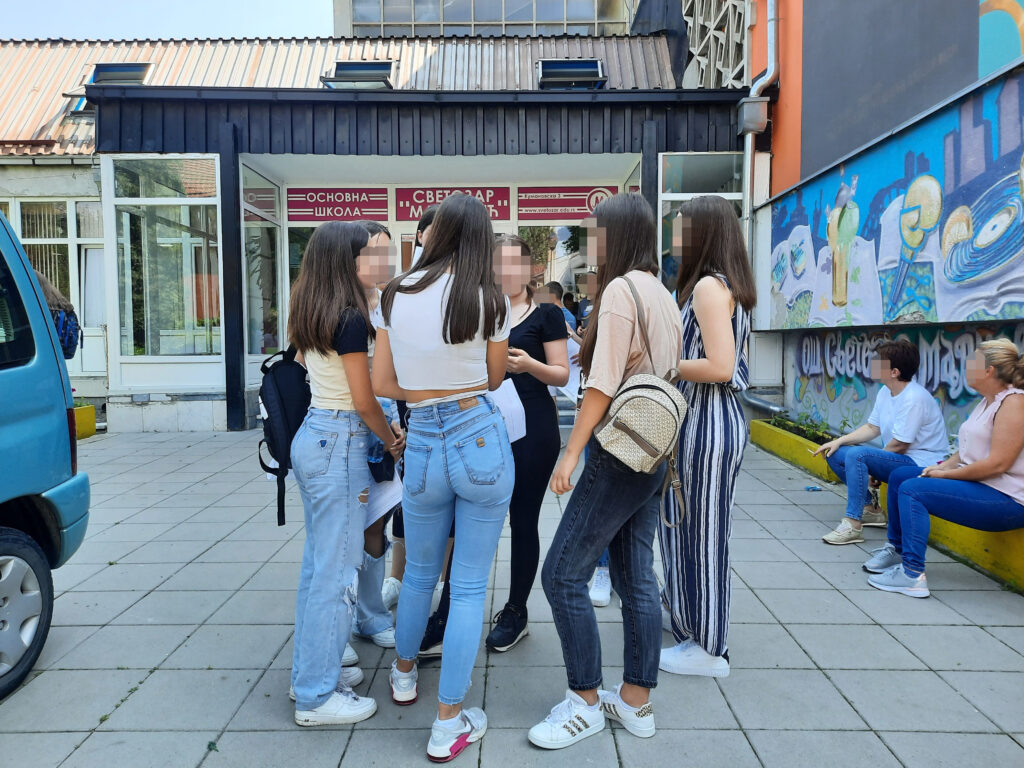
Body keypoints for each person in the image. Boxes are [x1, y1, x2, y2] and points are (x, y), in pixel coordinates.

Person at [529, 193, 682, 750]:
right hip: (653, 453)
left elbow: (601, 385)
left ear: (614, 235)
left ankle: (585, 701)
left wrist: (570, 452)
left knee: (563, 574)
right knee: (635, 575)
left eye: (594, 233)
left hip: (619, 450)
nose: (590, 244)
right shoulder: (661, 293)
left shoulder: (620, 291)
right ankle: (636, 701)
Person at [373, 193, 514, 762]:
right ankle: (448, 721)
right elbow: (495, 377)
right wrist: (455, 386)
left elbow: (384, 382)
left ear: (435, 233)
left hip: (424, 440)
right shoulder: (488, 299)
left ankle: (404, 675)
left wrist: (427, 391)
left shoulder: (395, 294)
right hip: (477, 432)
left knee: (418, 575)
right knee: (471, 585)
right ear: (478, 238)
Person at [287, 222, 403, 727]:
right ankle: (316, 696)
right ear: (348, 261)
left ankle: (311, 673)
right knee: (335, 575)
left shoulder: (311, 308)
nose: (378, 261)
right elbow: (363, 399)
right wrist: (392, 437)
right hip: (342, 443)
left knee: (319, 567)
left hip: (315, 436)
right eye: (369, 254)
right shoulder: (353, 319)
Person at [658, 196, 757, 678]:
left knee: (705, 535)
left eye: (680, 229)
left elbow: (719, 367)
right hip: (706, 419)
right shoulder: (720, 285)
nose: (674, 239)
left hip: (707, 421)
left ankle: (709, 645)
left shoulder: (708, 289)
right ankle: (689, 623)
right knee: (690, 527)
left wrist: (666, 365)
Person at [863, 338, 1024, 597]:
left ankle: (912, 575)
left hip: (1007, 500)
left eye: (971, 362)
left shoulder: (1014, 403)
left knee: (913, 490)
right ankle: (897, 550)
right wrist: (938, 467)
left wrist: (947, 474)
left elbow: (998, 464)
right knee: (901, 475)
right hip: (982, 487)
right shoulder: (989, 401)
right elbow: (968, 450)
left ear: (988, 371)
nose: (965, 367)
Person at [813, 339, 948, 545]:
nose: (872, 365)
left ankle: (853, 524)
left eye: (878, 362)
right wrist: (839, 441)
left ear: (894, 371)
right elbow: (872, 428)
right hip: (899, 458)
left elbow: (900, 445)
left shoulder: (914, 398)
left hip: (921, 463)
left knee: (858, 455)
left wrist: (875, 466)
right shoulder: (886, 391)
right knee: (835, 452)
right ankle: (871, 510)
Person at [386, 203, 442, 607]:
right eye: (432, 230)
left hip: (454, 415)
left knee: (448, 506)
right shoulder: (400, 289)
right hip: (414, 412)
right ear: (419, 235)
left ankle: (438, 583)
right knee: (409, 496)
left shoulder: (467, 288)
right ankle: (396, 577)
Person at [351, 221, 403, 648]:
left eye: (389, 253)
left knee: (376, 523)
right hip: (347, 429)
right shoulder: (337, 307)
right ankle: (344, 616)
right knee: (344, 528)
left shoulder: (390, 303)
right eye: (375, 252)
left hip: (385, 428)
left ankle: (370, 614)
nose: (384, 262)